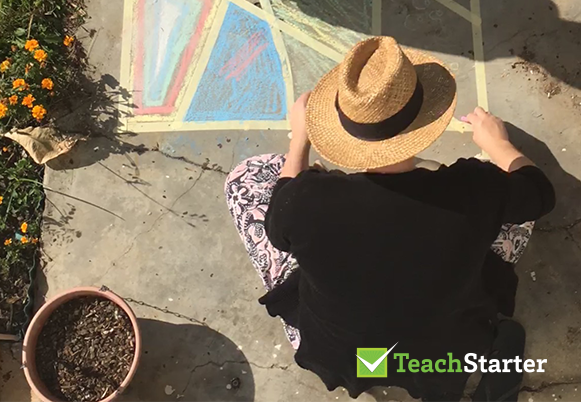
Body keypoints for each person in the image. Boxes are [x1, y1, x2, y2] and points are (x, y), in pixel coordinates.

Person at [225, 36, 555, 401]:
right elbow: (539, 194)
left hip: (347, 354)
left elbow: (276, 225)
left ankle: (380, 371)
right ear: (426, 117)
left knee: (249, 176)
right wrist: (500, 146)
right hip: (438, 356)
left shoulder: (305, 200)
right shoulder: (474, 188)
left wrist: (299, 142)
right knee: (515, 210)